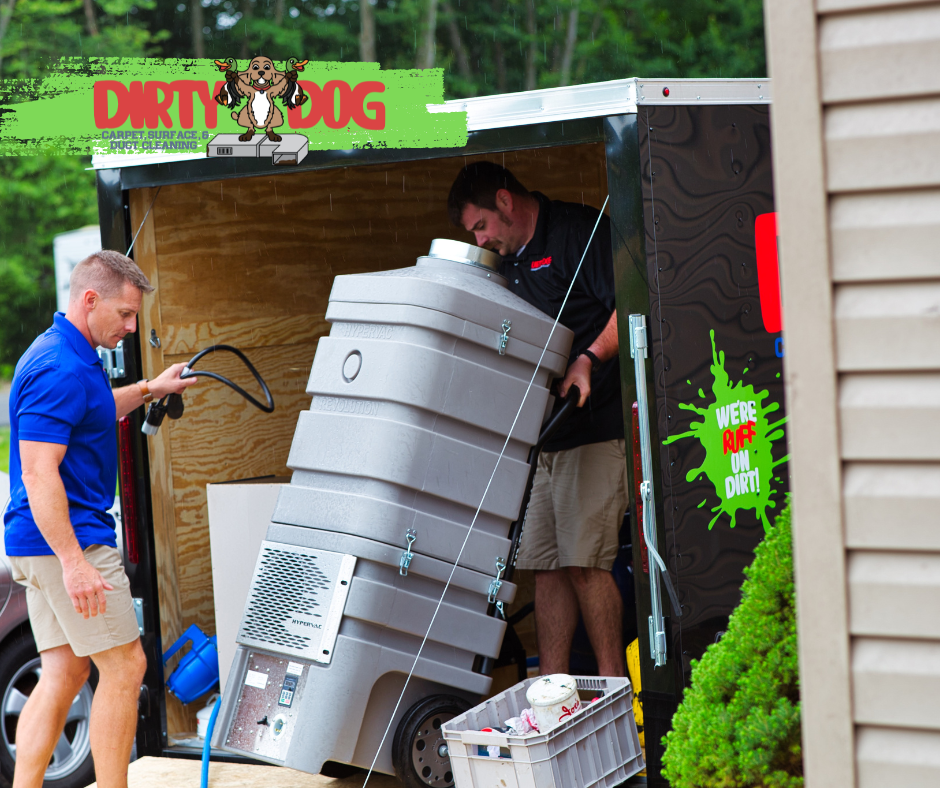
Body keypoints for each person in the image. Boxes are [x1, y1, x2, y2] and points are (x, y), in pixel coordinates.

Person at [4, 250, 196, 788]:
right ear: (90, 301)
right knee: (125, 667)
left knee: (65, 672)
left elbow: (91, 410)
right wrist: (74, 562)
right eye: (126, 315)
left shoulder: (69, 352)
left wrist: (150, 390)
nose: (132, 328)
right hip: (70, 543)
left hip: (37, 543)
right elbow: (40, 473)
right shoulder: (57, 368)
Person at [448, 161, 626, 677]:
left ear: (505, 202)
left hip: (595, 430)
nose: (481, 239)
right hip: (541, 441)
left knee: (584, 564)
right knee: (544, 569)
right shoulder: (503, 266)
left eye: (481, 226)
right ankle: (551, 695)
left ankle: (615, 695)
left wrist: (588, 359)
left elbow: (631, 302)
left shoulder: (576, 232)